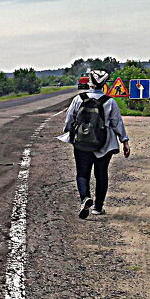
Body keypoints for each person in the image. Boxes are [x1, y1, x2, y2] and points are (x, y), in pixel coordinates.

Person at [61, 69, 130, 219]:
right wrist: (124, 141)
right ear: (104, 84)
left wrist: (70, 133)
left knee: (82, 173)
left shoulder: (79, 99)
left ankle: (85, 198)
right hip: (104, 144)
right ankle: (98, 208)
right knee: (101, 174)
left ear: (90, 83)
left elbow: (69, 120)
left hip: (82, 143)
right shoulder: (110, 101)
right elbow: (117, 123)